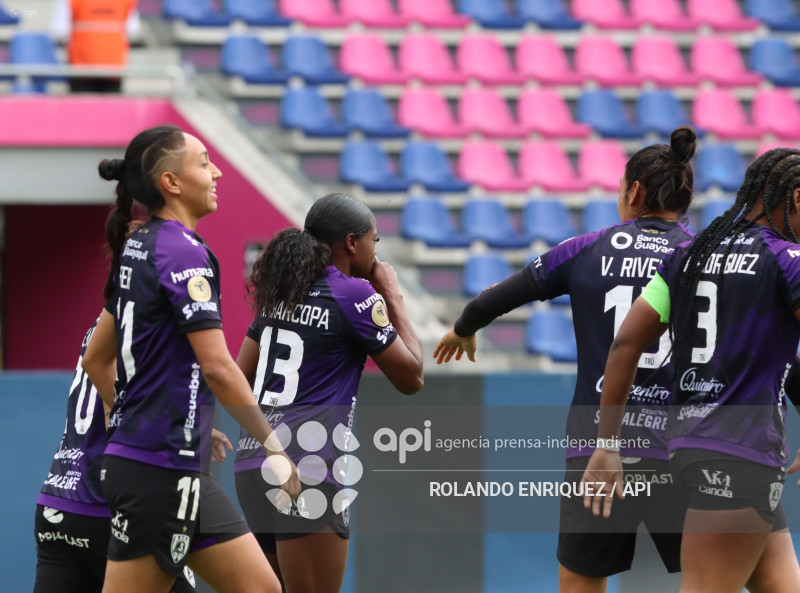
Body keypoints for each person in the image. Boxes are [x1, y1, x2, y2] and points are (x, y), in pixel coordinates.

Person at [435, 127, 699, 593]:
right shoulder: (701, 257)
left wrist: (465, 327)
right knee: (714, 577)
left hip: (598, 448)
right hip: (680, 446)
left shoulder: (586, 249)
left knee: (581, 582)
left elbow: (496, 298)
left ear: (633, 191)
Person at [81, 124, 299, 593]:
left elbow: (96, 361)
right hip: (158, 470)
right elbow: (218, 367)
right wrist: (274, 447)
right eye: (204, 162)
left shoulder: (135, 247)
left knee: (263, 588)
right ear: (171, 183)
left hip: (170, 462)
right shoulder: (183, 252)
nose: (217, 171)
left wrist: (147, 418)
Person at [582, 147, 800, 593]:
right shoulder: (787, 259)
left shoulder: (691, 256)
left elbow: (625, 343)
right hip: (742, 455)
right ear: (796, 198)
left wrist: (606, 445)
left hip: (687, 452)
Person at [234, 193, 424, 593]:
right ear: (352, 243)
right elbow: (412, 377)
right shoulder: (354, 295)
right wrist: (392, 295)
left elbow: (238, 376)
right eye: (375, 240)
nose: (376, 251)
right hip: (310, 466)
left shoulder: (280, 293)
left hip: (254, 462)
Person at [33, 314, 232, 593]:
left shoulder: (105, 320)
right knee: (259, 584)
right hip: (111, 502)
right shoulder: (146, 313)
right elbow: (115, 416)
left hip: (59, 500)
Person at [51, 0, 139, 93]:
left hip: (81, 64)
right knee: (110, 106)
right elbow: (133, 29)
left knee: (82, 106)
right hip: (113, 65)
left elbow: (59, 30)